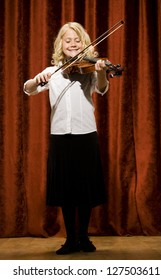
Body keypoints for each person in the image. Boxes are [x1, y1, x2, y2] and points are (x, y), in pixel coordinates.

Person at [23, 22, 109, 255]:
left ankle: (84, 237)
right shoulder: (53, 72)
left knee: (85, 189)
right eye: (68, 40)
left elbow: (101, 88)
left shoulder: (90, 68)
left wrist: (101, 70)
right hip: (61, 137)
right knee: (67, 191)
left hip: (86, 135)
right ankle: (70, 238)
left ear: (84, 43)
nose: (73, 44)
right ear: (60, 44)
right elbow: (29, 89)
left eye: (77, 40)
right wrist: (37, 77)